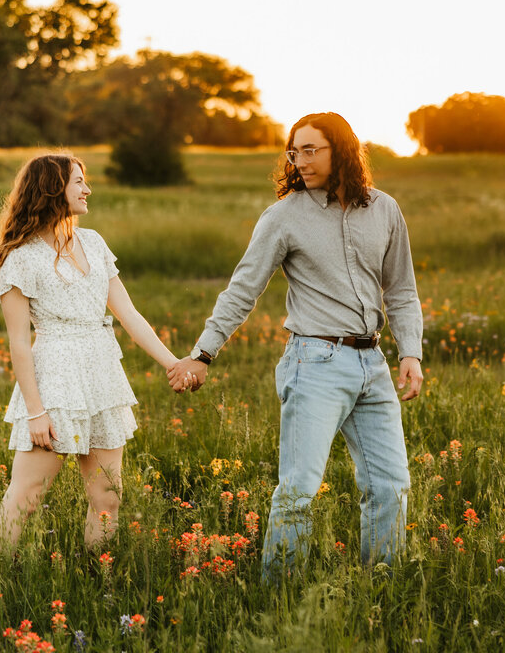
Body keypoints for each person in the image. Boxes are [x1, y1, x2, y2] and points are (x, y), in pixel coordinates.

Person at [169, 112, 424, 580]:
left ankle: (383, 589)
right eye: (294, 151)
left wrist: (411, 351)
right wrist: (203, 353)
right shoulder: (284, 216)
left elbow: (402, 290)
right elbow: (243, 288)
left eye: (311, 150)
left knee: (391, 486)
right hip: (315, 363)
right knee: (299, 490)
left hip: (374, 363)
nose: (299, 160)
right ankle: (278, 595)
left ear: (340, 150)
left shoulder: (385, 210)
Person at [0, 153, 197, 566]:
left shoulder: (94, 242)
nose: (87, 189)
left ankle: (97, 577)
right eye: (78, 181)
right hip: (55, 380)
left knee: (106, 497)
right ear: (51, 189)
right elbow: (19, 343)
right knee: (27, 496)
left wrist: (174, 362)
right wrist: (35, 412)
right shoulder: (20, 257)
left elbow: (129, 315)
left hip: (102, 374)